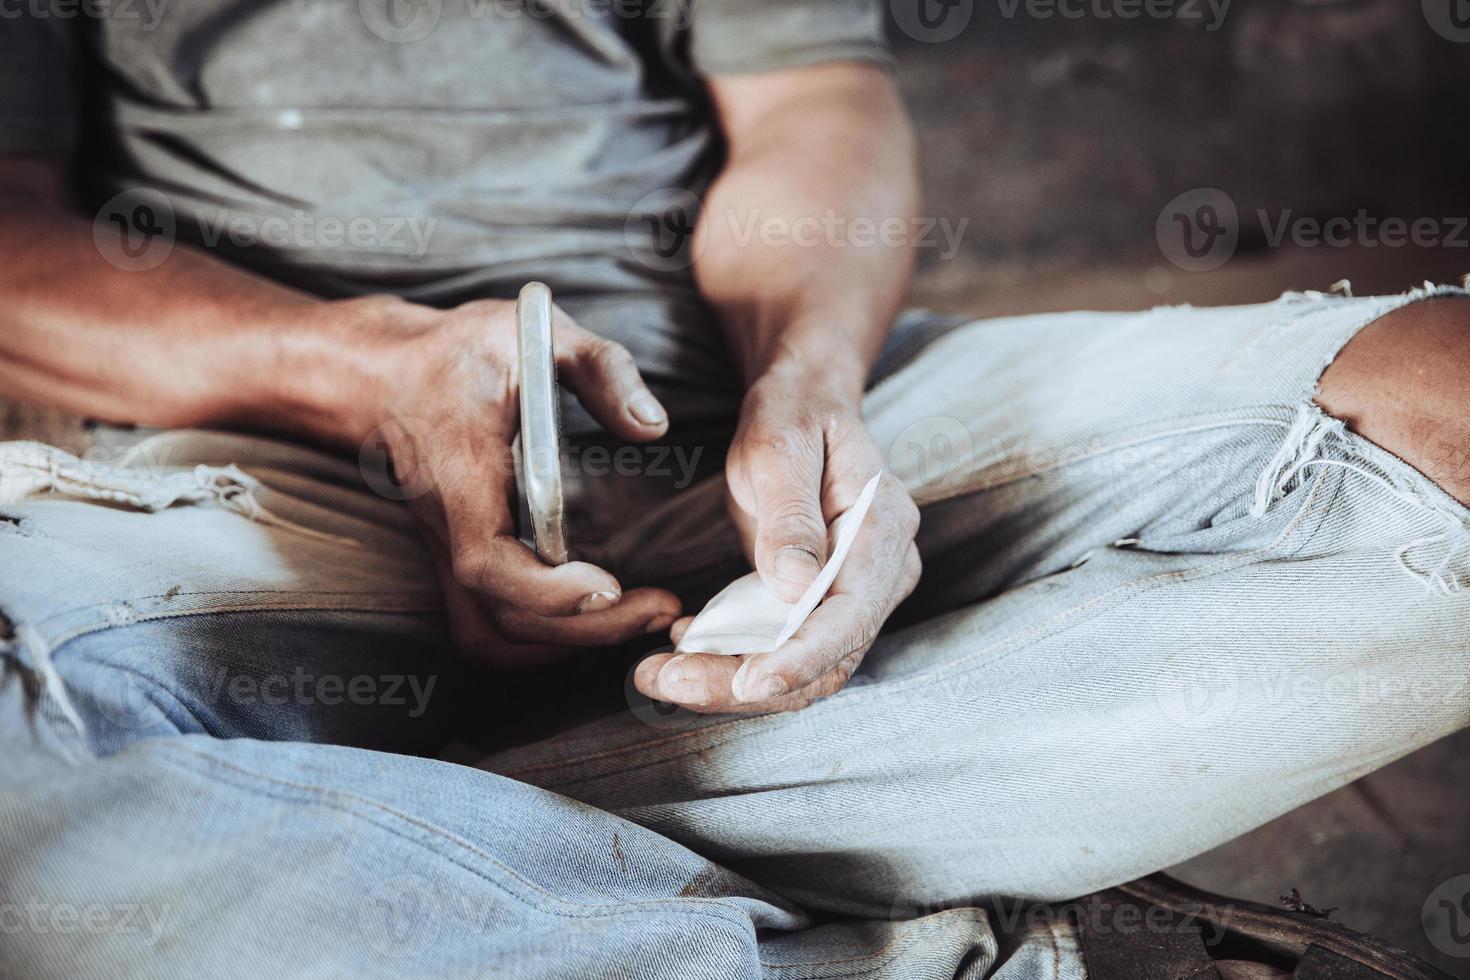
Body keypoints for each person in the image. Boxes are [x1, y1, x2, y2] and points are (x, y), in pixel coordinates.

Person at [1, 3, 1466, 977]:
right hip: (289, 481)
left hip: (755, 402)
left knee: (1442, 402)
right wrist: (362, 366)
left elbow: (811, 112)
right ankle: (898, 912)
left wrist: (807, 386)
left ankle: (396, 843)